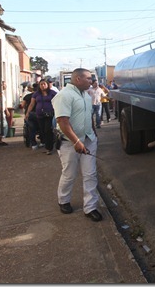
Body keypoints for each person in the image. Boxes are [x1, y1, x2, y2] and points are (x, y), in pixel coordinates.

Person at [51, 68, 102, 222]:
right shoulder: (64, 96)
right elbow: (63, 122)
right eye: (88, 78)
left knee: (90, 174)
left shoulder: (86, 95)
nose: (91, 81)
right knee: (69, 174)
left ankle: (90, 207)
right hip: (69, 143)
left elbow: (88, 116)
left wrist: (93, 133)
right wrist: (77, 142)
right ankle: (64, 200)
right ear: (78, 79)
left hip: (88, 140)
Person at [25, 79, 57, 155]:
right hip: (40, 115)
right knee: (42, 131)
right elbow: (32, 104)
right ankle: (46, 144)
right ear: (39, 85)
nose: (43, 86)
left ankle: (49, 148)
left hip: (50, 115)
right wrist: (27, 113)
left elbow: (58, 102)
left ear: (47, 85)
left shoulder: (52, 93)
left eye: (44, 84)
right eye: (41, 84)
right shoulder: (36, 94)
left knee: (48, 130)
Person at [22, 83, 42, 149]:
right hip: (40, 114)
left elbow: (23, 105)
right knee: (42, 127)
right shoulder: (41, 96)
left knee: (31, 128)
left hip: (30, 114)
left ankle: (33, 144)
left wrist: (26, 110)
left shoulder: (27, 96)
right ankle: (43, 141)